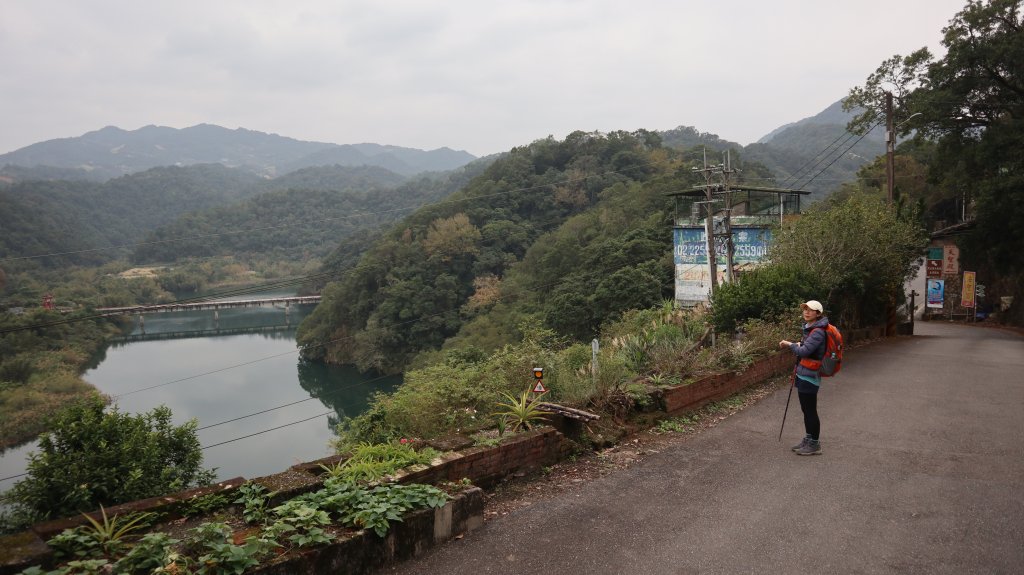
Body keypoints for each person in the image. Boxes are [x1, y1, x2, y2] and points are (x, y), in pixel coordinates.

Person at [778, 300, 830, 456]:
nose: (806, 312)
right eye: (805, 309)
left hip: (810, 376)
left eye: (811, 310)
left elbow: (804, 351)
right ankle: (809, 439)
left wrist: (789, 344)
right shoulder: (810, 329)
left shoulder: (818, 332)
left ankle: (814, 444)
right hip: (804, 373)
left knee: (810, 410)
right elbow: (805, 349)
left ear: (818, 313)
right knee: (806, 410)